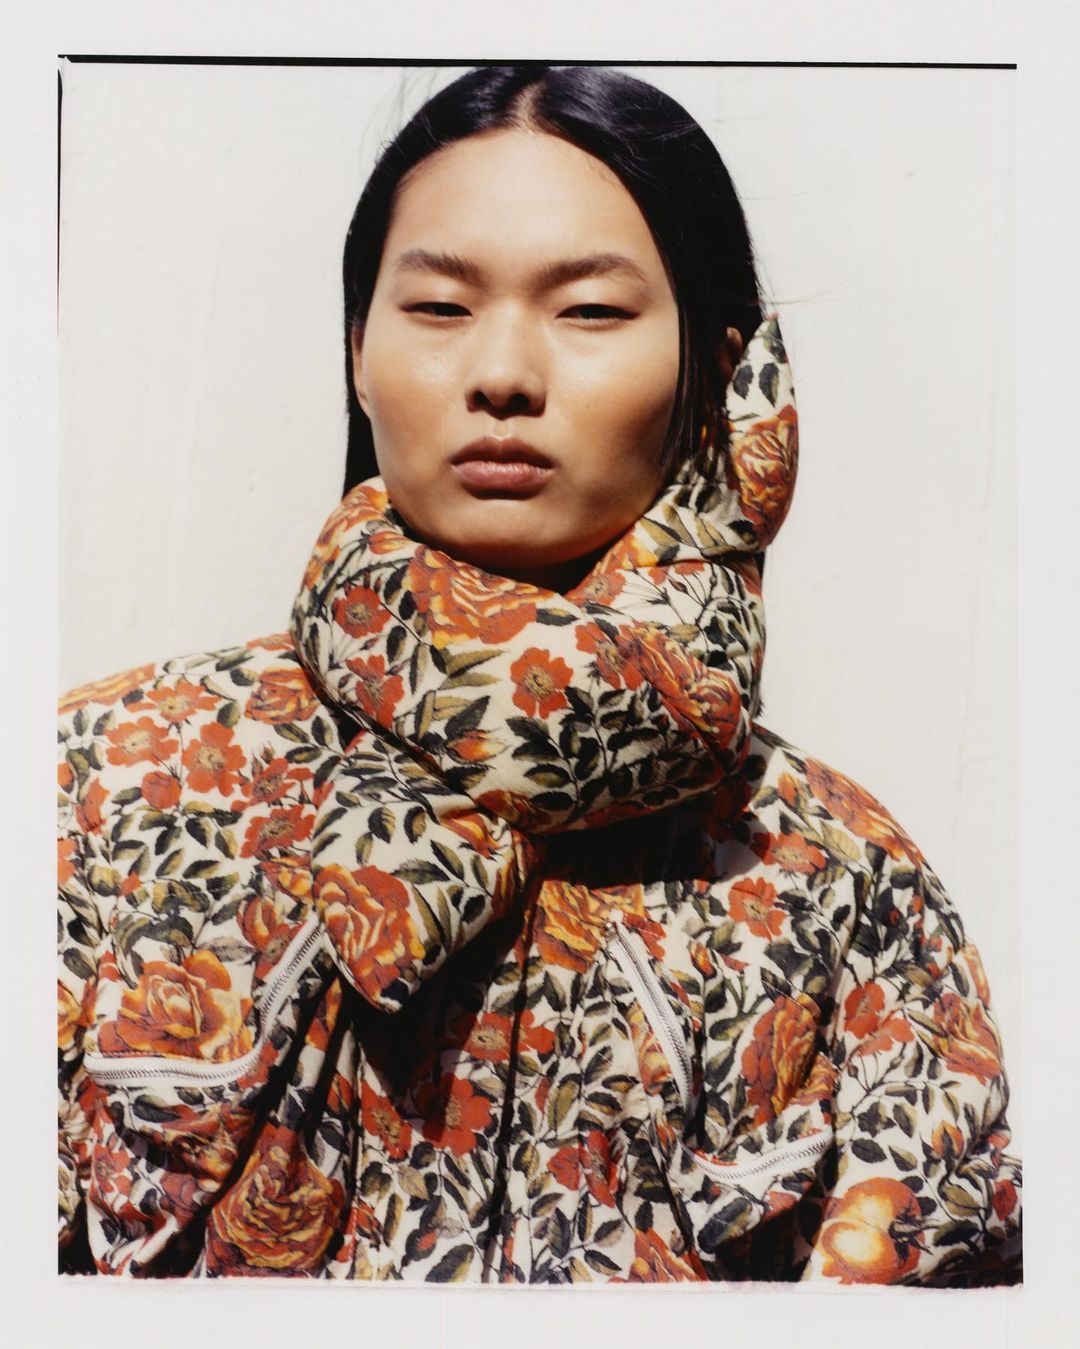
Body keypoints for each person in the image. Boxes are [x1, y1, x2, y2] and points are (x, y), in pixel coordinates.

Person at [57, 63, 1021, 1283]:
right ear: (358, 352)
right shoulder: (101, 786)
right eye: (439, 305)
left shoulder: (839, 878)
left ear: (717, 371)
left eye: (591, 310)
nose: (504, 372)